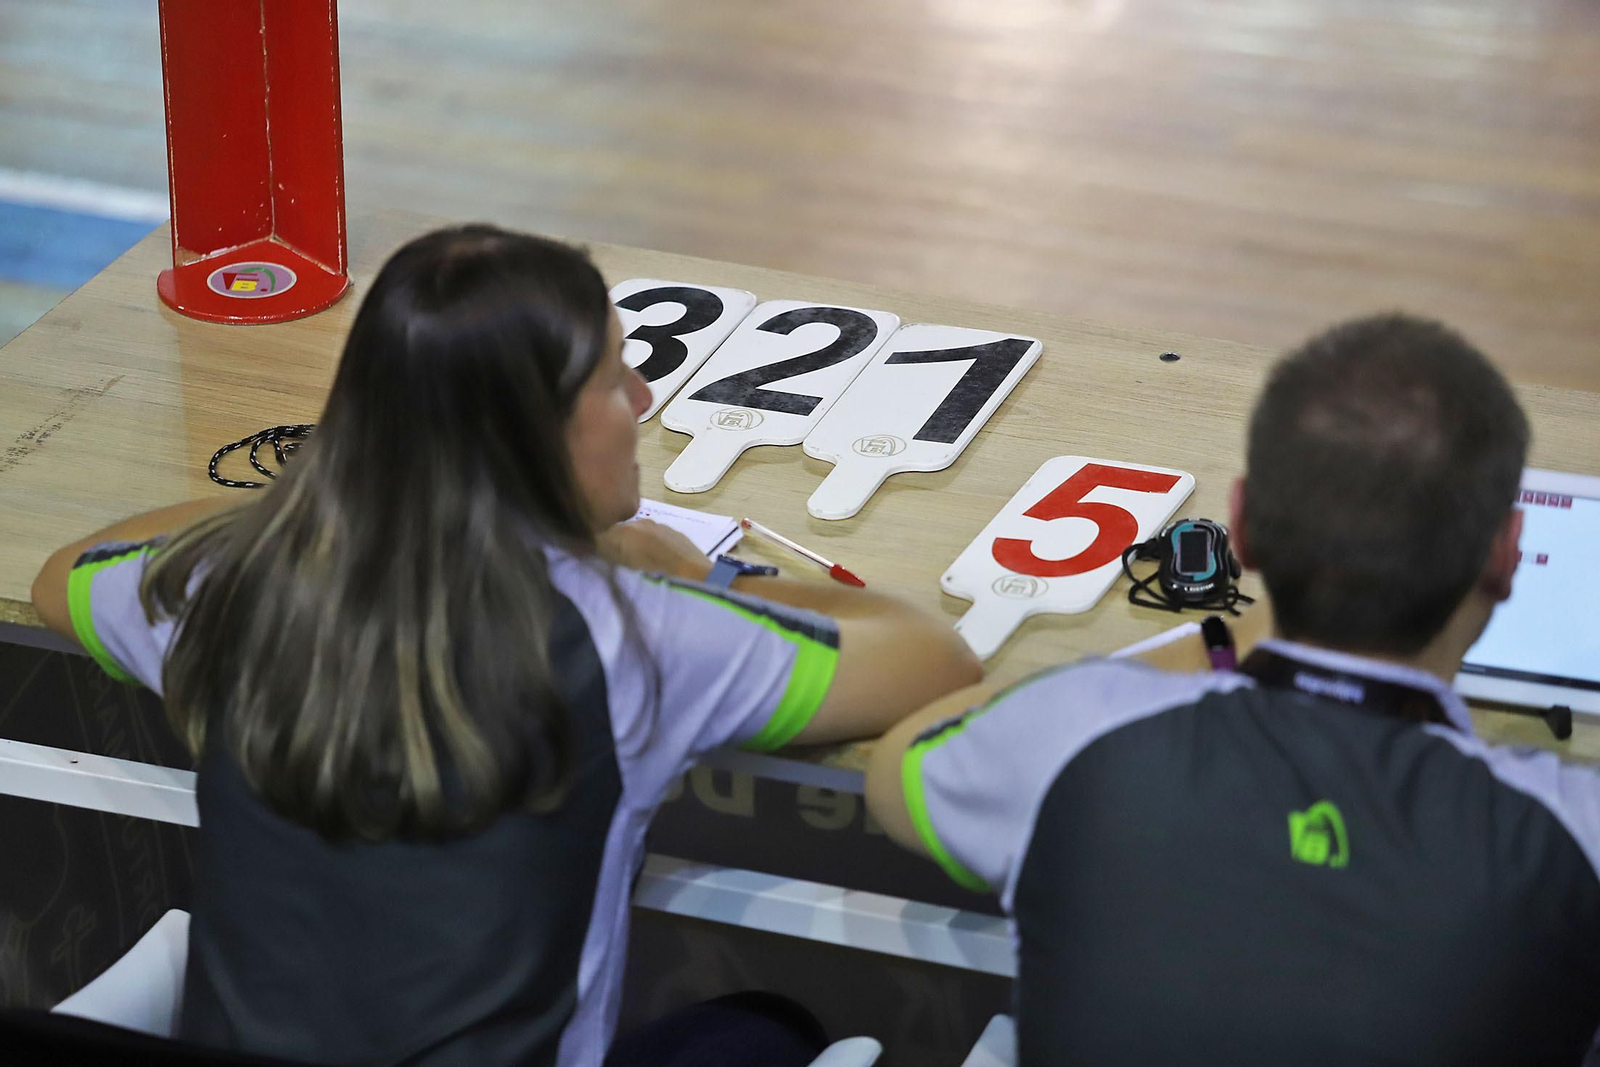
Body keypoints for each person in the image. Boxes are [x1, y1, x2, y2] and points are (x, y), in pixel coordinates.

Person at [30, 224, 982, 1067]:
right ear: (536, 431)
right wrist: (695, 576)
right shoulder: (630, 631)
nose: (644, 397)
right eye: (615, 375)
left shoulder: (222, 586)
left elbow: (66, 572)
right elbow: (931, 654)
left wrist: (323, 498)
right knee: (766, 1026)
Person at [865, 313, 1600, 1065]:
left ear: (1242, 529)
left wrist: (1223, 642)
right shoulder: (1576, 829)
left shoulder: (1075, 729)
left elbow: (898, 774)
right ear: (1508, 555)